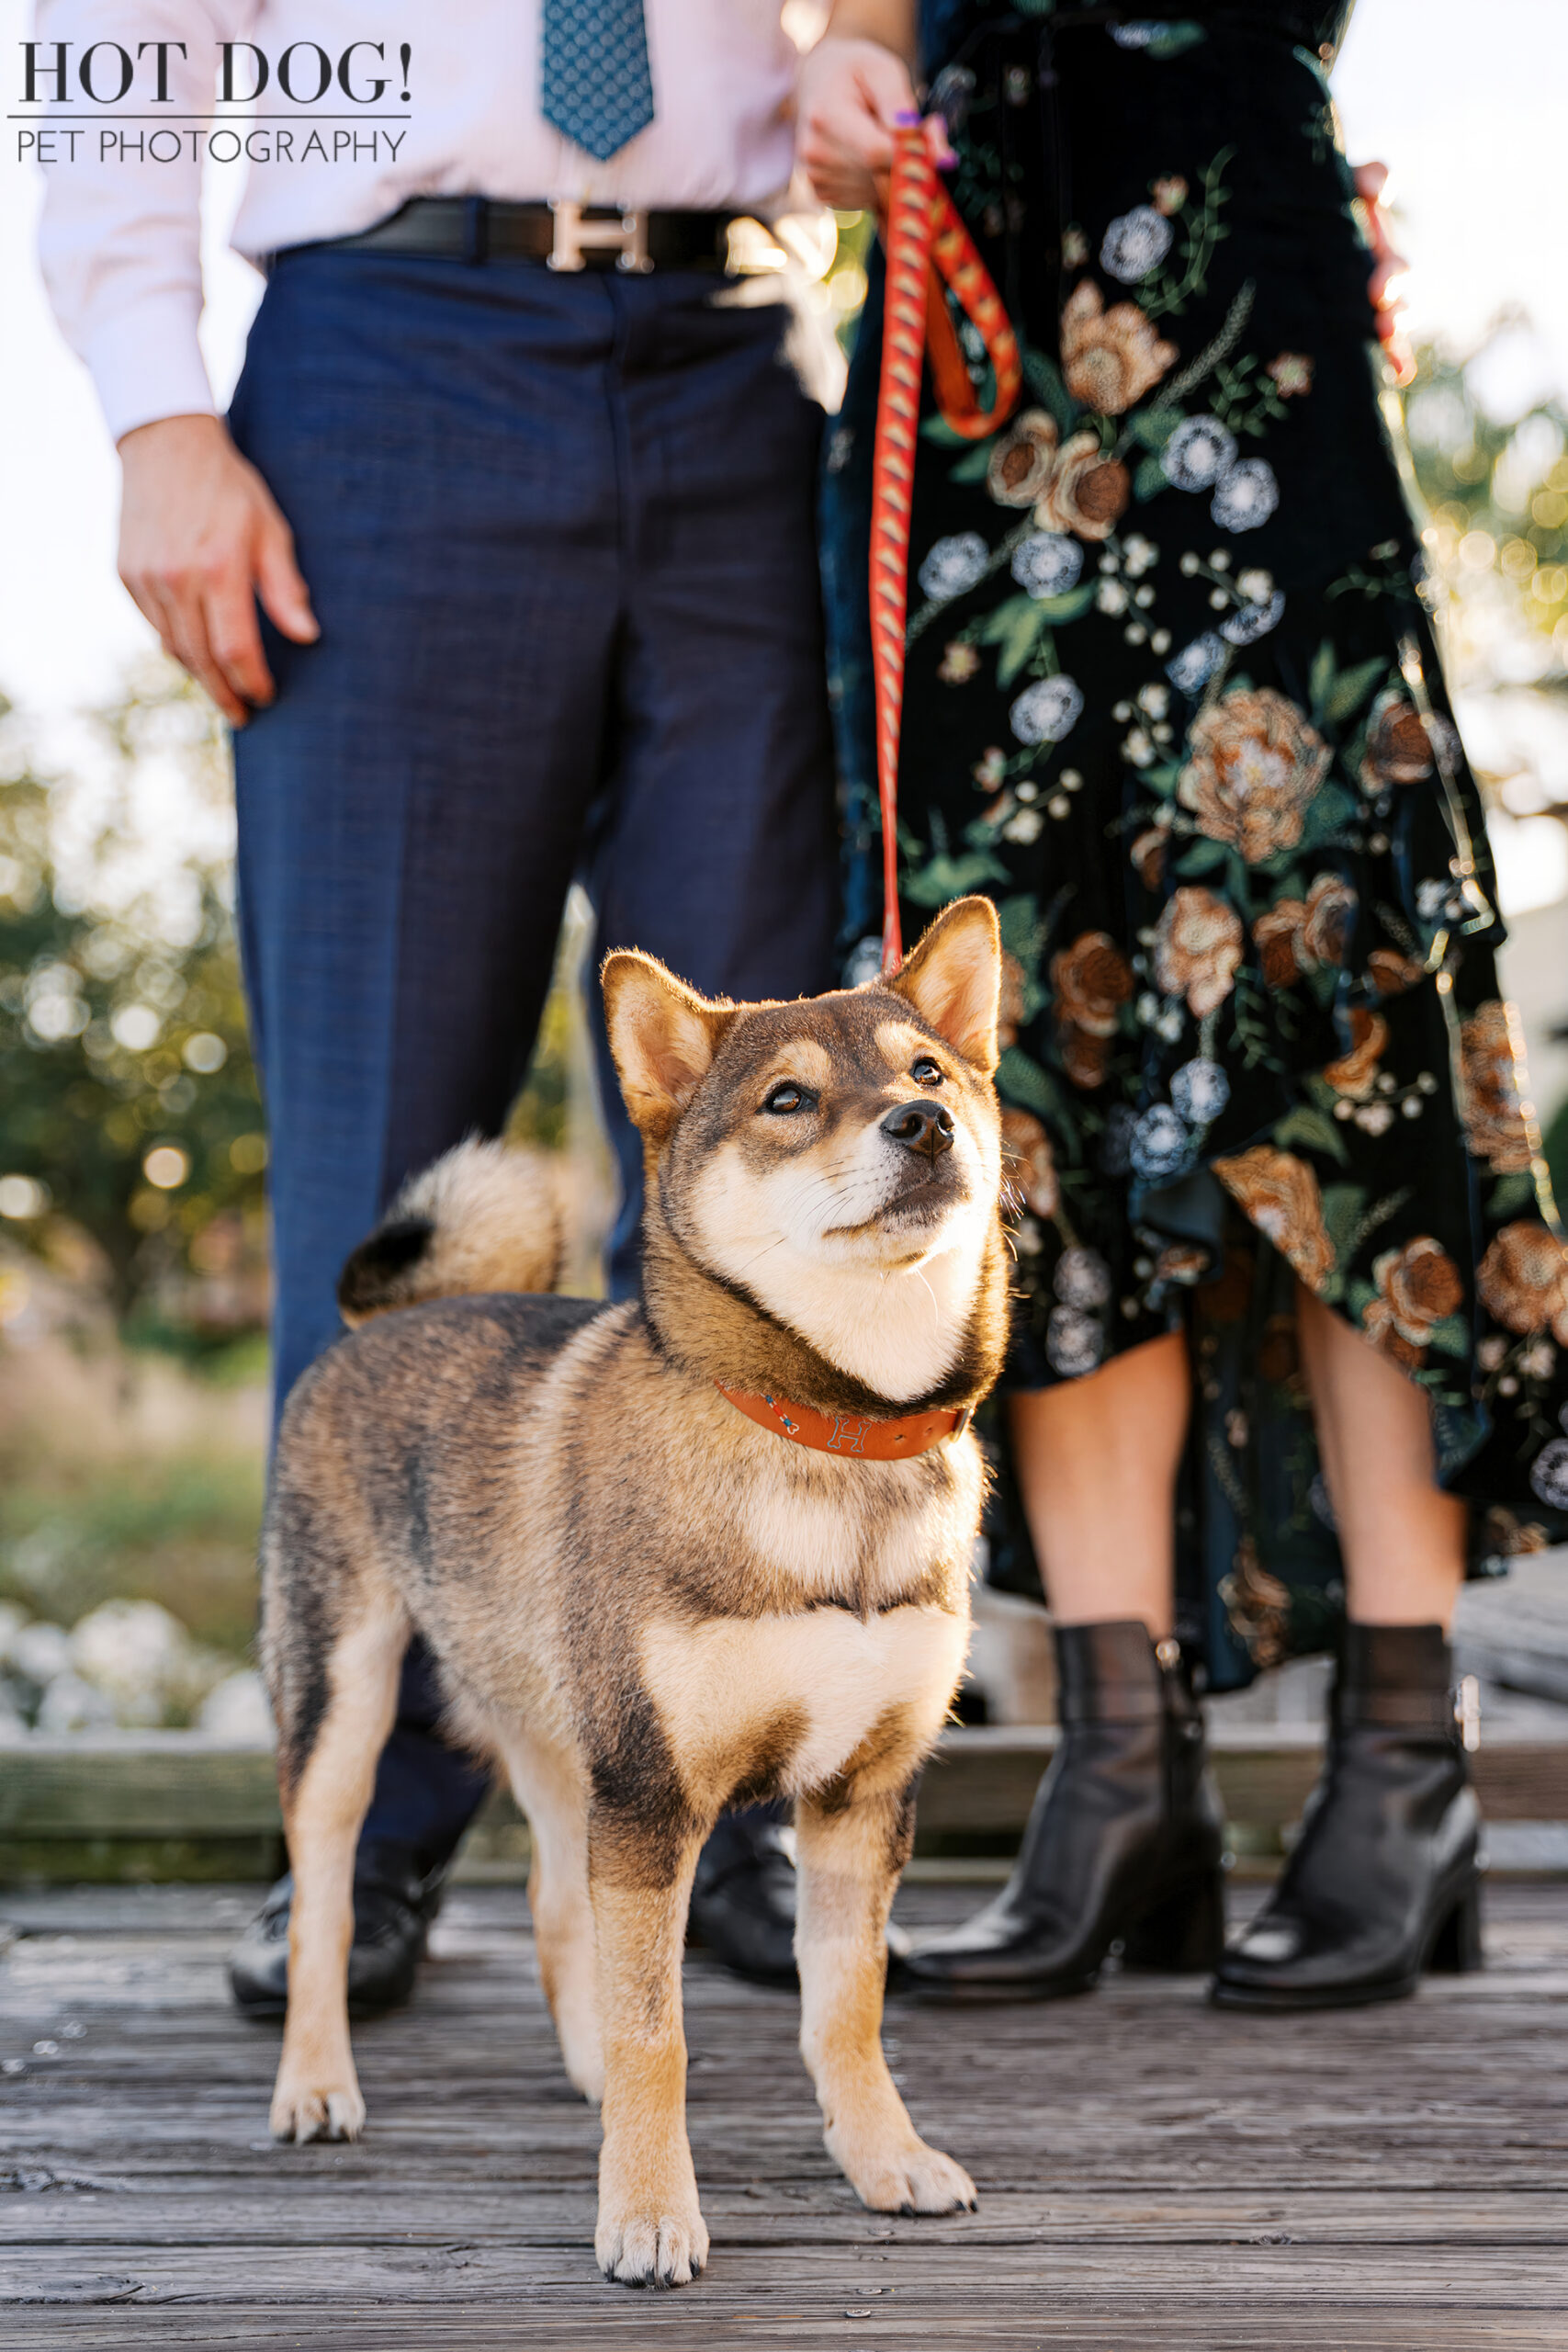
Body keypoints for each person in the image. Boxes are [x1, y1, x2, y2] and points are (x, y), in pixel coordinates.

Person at [38, 0, 839, 2005]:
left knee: (769, 1162)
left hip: (742, 369)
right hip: (386, 369)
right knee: (387, 1173)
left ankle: (729, 1795)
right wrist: (155, 411)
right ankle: (363, 1818)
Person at [802, 0, 1568, 2006]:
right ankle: (1116, 1772)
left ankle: (1405, 1760)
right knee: (1026, 1036)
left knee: (1334, 998)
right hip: (975, 305)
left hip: (1252, 278)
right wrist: (840, 77)